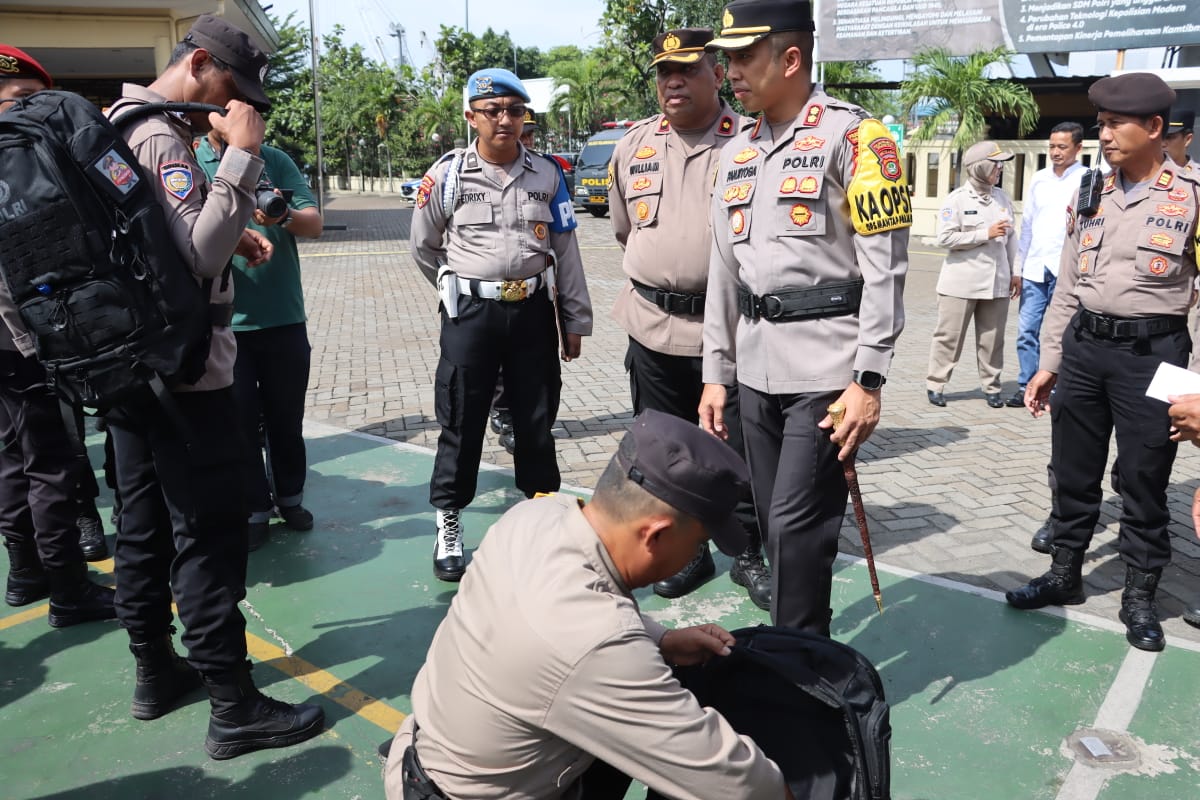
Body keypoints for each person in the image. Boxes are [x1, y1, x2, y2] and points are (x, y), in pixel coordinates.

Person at [105, 15, 323, 755]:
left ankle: (154, 672)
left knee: (142, 525)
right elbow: (199, 255)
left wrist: (235, 233)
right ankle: (233, 705)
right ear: (199, 63)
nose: (241, 107)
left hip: (132, 366)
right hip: (186, 373)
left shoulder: (117, 121)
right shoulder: (161, 136)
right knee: (207, 534)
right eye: (234, 89)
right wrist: (244, 155)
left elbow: (172, 239)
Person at [383, 409, 792, 800]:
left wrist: (662, 639)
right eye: (700, 542)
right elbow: (740, 786)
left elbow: (572, 628)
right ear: (655, 535)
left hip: (425, 755)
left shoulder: (536, 514)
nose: (696, 555)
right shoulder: (597, 646)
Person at [700, 0, 909, 636]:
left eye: (744, 56)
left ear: (791, 59)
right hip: (755, 371)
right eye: (727, 59)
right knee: (773, 524)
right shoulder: (736, 152)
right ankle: (807, 650)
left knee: (796, 527)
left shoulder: (858, 139)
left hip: (827, 371)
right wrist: (715, 373)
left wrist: (868, 380)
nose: (730, 72)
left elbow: (886, 269)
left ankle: (796, 667)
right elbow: (723, 272)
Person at [1006, 73, 1200, 653]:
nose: (1105, 134)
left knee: (1143, 478)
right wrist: (1049, 360)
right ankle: (1064, 574)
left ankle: (1139, 595)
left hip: (1155, 355)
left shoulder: (1192, 196)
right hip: (1085, 350)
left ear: (1155, 128)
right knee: (1072, 470)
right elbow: (1068, 285)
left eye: (1116, 124)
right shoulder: (1090, 190)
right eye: (1102, 124)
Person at [607, 28, 770, 609]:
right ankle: (691, 552)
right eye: (664, 72)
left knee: (738, 448)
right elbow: (624, 229)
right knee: (666, 450)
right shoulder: (635, 145)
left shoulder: (751, 141)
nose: (673, 81)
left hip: (730, 330)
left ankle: (746, 552)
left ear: (716, 74)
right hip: (652, 324)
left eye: (687, 69)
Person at [411, 68, 591, 583]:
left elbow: (566, 250)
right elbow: (423, 245)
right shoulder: (448, 175)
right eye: (492, 111)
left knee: (536, 417)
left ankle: (540, 517)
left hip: (532, 311)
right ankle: (449, 522)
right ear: (472, 117)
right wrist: (456, 287)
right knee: (461, 417)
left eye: (514, 110)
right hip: (472, 315)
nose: (505, 120)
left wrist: (574, 318)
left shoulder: (547, 174)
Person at [0, 44, 116, 625]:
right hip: (21, 340)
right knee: (49, 463)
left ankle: (25, 572)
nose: (27, 112)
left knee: (11, 458)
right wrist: (35, 342)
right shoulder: (16, 165)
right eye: (18, 100)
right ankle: (68, 588)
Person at [195, 132, 324, 552]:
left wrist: (281, 217)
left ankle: (291, 498)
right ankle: (253, 508)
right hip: (227, 324)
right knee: (240, 425)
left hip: (284, 318)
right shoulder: (193, 159)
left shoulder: (275, 160)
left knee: (287, 419)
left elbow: (314, 223)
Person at [925, 141, 1020, 409]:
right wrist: (984, 234)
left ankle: (992, 387)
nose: (1000, 169)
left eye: (1001, 164)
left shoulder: (1002, 198)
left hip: (996, 282)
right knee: (949, 337)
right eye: (995, 164)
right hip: (961, 284)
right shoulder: (956, 199)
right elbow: (945, 238)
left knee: (993, 340)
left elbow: (1012, 238)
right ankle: (936, 384)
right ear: (980, 167)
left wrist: (1016, 272)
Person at [1008, 122, 1086, 408]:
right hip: (1035, 268)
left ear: (1078, 148)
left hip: (1067, 271)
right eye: (1052, 146)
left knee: (1065, 333)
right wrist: (1018, 268)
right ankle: (1026, 385)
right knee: (1026, 331)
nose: (1055, 152)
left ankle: (1058, 388)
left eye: (1062, 147)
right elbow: (1027, 226)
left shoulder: (1088, 179)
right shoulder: (1039, 179)